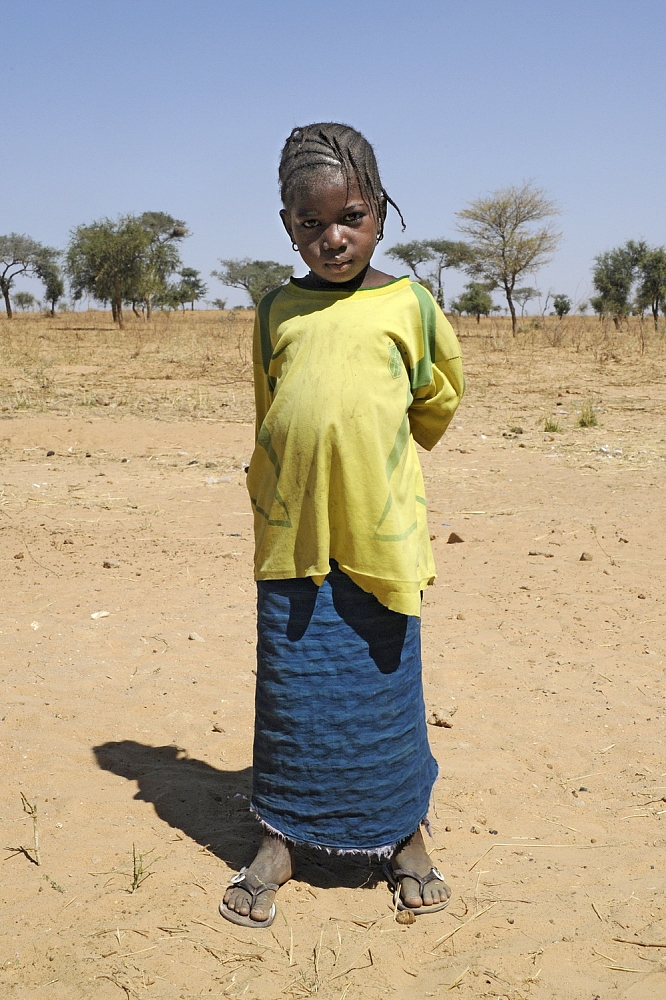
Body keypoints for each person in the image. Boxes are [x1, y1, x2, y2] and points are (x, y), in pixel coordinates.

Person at [220, 123, 464, 927]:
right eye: (310, 223)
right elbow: (270, 410)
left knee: (384, 694)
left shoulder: (410, 305)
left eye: (350, 217)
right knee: (294, 696)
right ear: (286, 223)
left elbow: (436, 397)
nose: (332, 238)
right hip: (292, 536)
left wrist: (373, 458)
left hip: (378, 535)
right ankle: (280, 839)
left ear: (381, 212)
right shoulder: (275, 312)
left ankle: (405, 836)